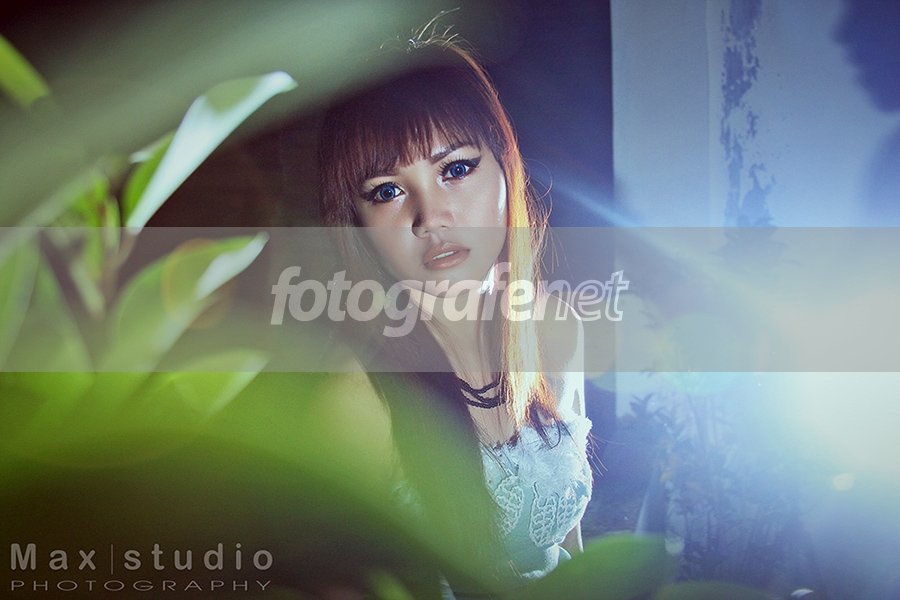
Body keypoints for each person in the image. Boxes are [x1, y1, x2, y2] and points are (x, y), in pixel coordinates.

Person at [315, 29, 592, 599]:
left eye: (456, 169)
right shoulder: (355, 393)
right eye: (387, 192)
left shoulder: (557, 328)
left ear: (505, 168)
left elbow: (570, 552)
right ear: (356, 222)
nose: (430, 217)